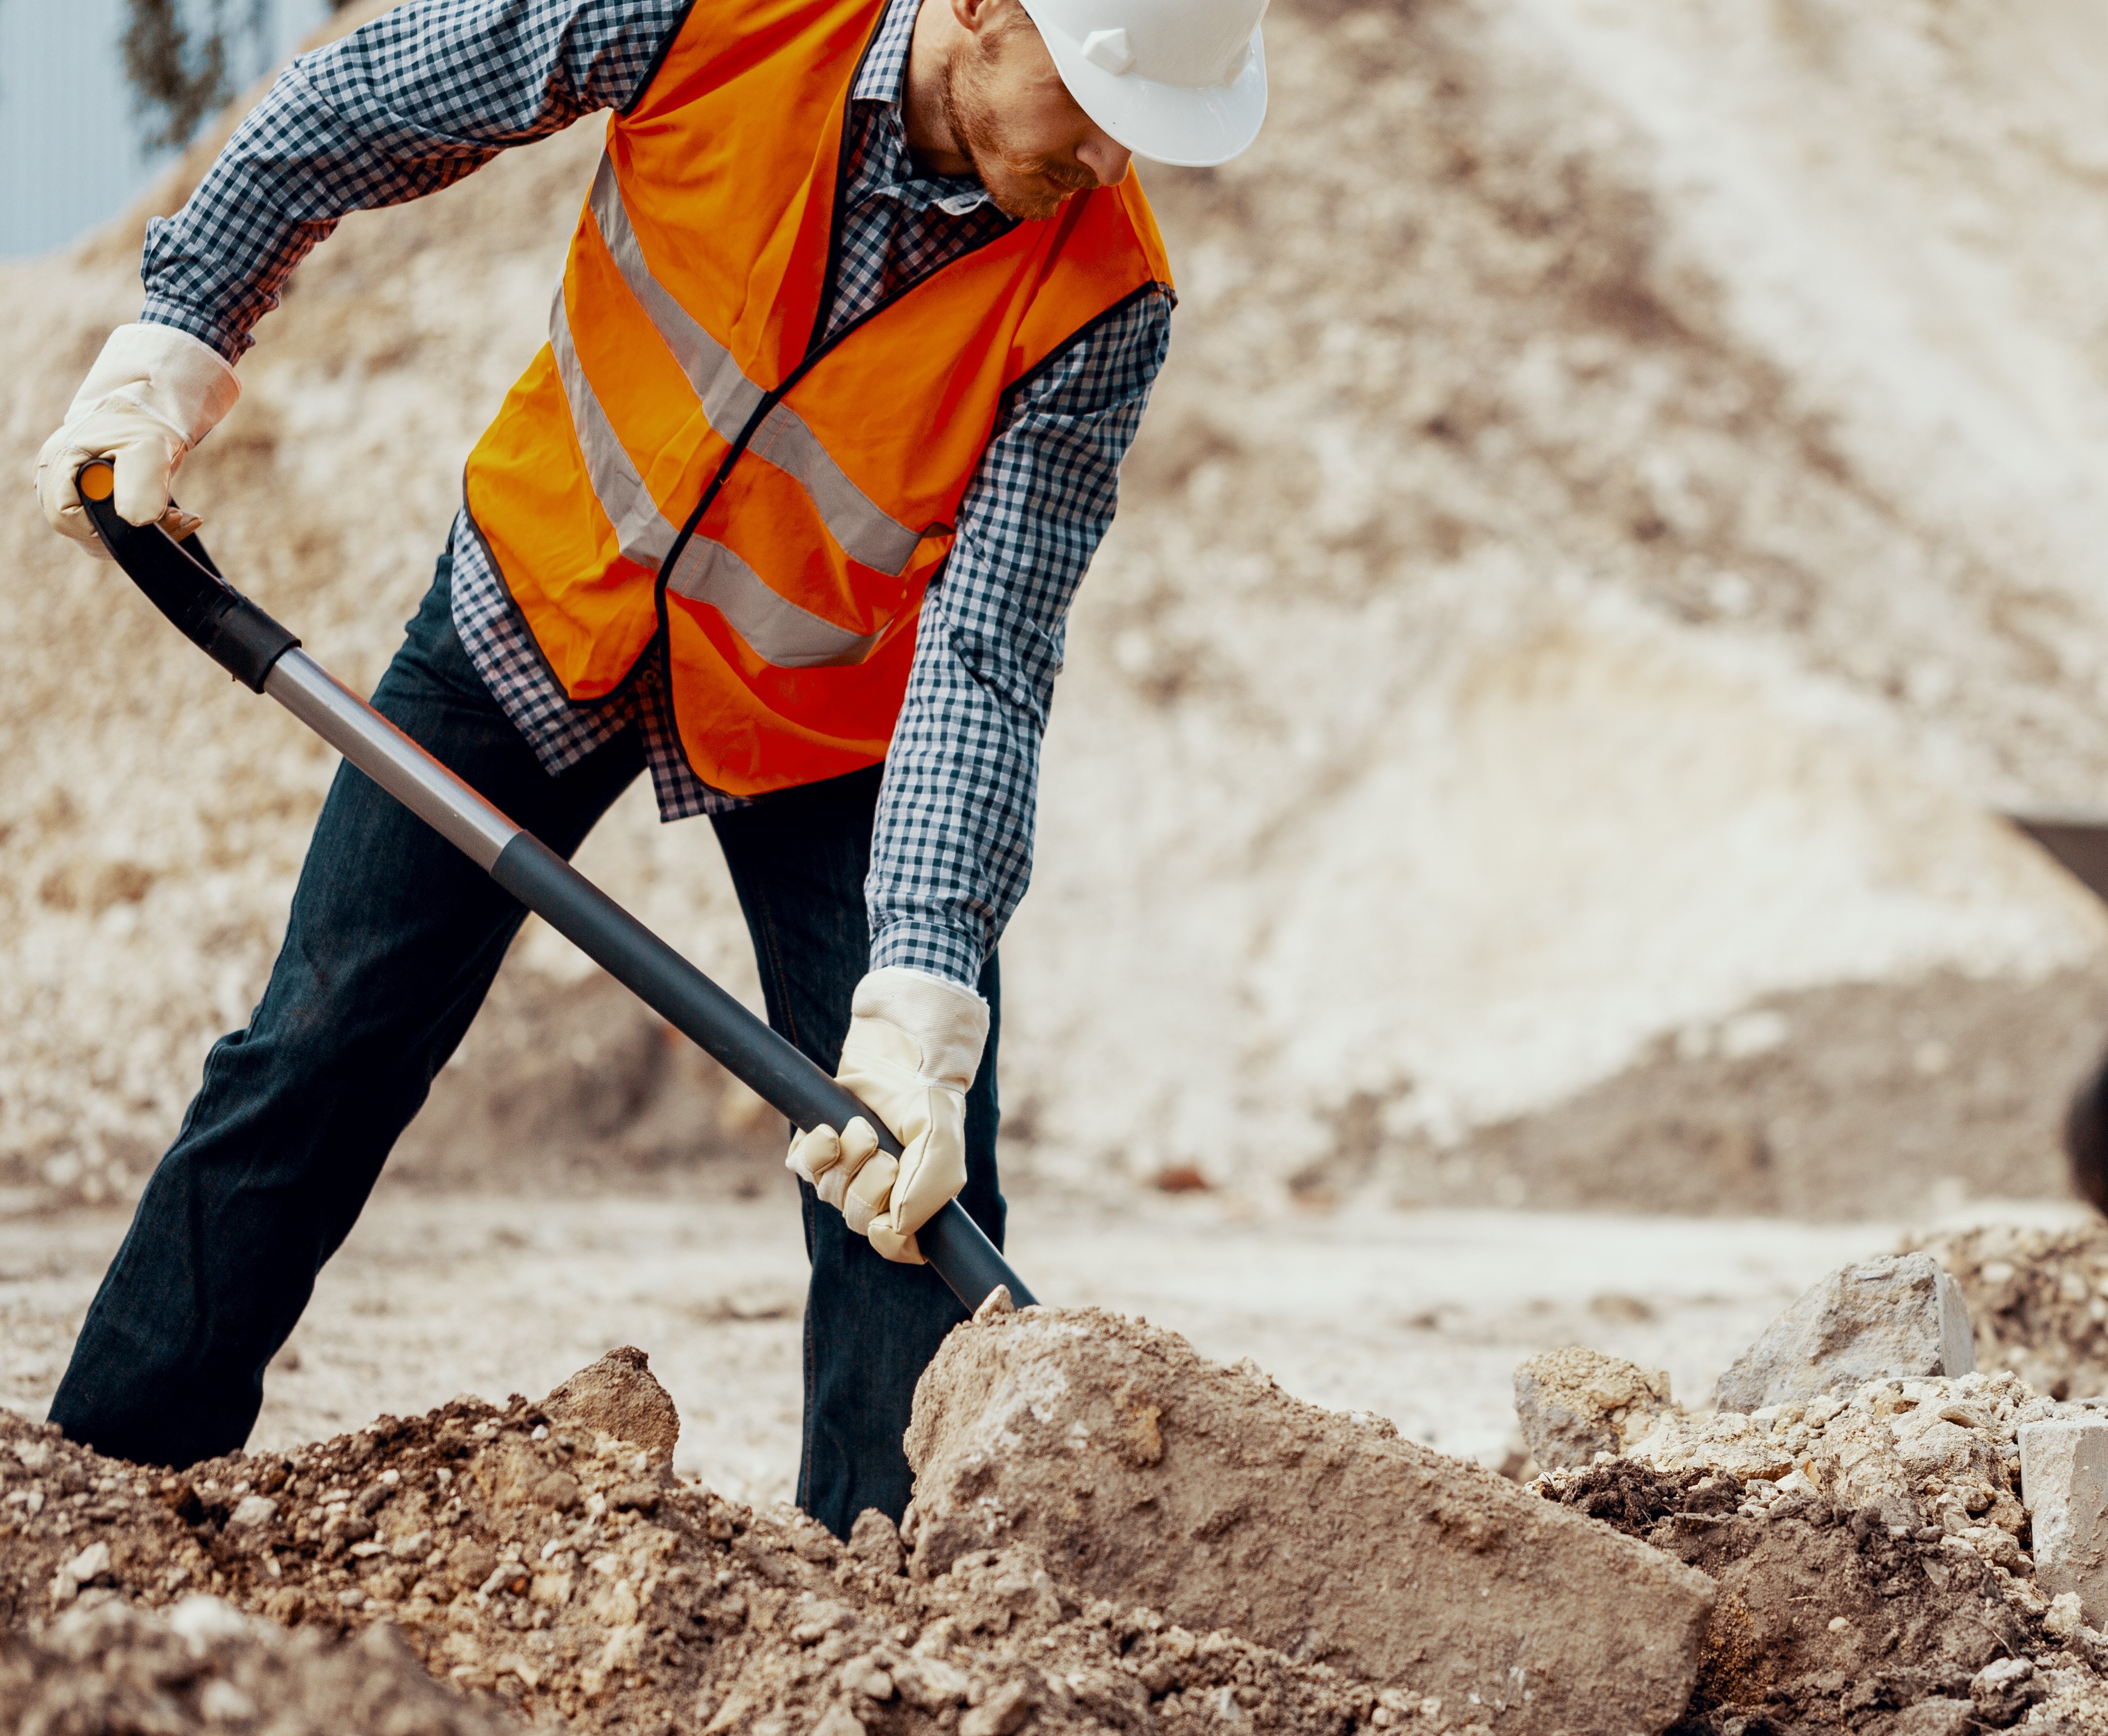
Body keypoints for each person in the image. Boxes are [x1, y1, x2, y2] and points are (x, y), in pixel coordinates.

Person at [32, 0, 1266, 1539]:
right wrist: (178, 333)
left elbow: (989, 651)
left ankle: (881, 1620)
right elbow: (369, 99)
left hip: (821, 715)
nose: (1107, 155)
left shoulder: (1105, 300)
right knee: (321, 1043)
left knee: (901, 1178)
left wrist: (925, 991)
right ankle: (103, 1498)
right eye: (1090, 101)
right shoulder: (721, 15)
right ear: (976, 7)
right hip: (537, 608)